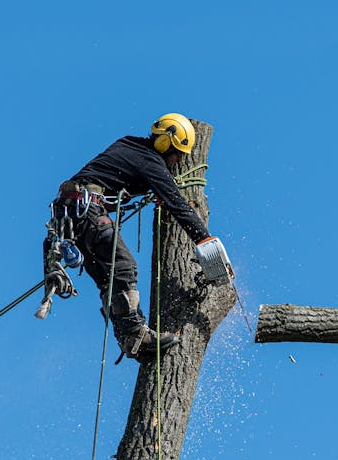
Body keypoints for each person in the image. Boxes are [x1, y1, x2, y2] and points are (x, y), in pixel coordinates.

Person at [41, 113, 230, 361]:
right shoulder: (150, 161)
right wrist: (206, 241)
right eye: (177, 155)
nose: (176, 161)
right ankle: (134, 333)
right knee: (123, 266)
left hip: (71, 216)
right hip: (86, 212)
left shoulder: (129, 144)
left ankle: (130, 339)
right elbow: (178, 205)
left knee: (109, 279)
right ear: (165, 145)